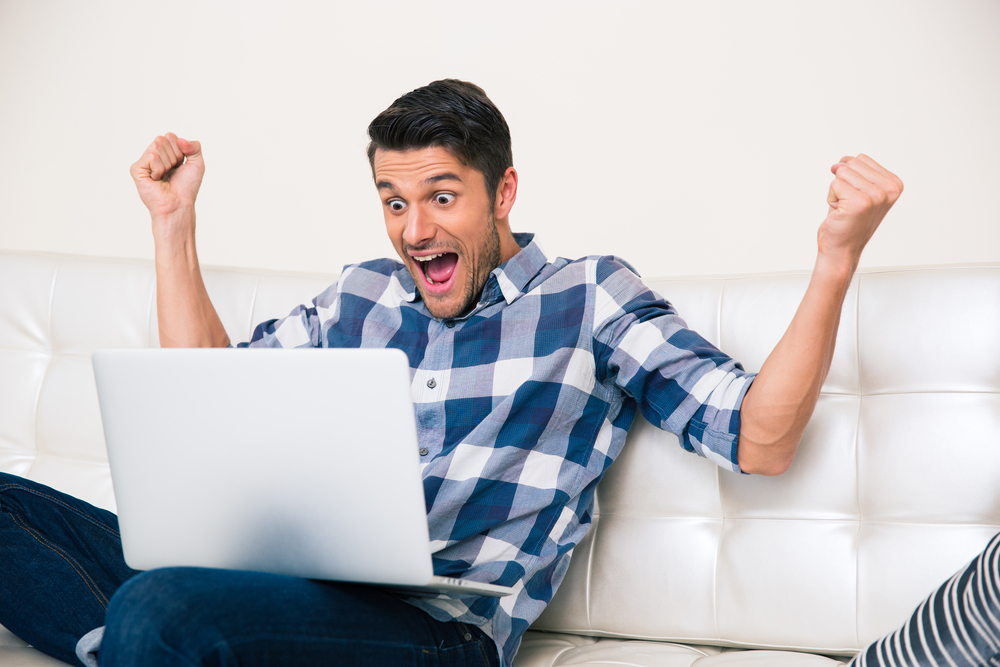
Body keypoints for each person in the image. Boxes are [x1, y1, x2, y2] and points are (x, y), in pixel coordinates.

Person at [0, 79, 993, 667]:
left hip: (438, 631)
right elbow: (205, 400)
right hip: (283, 591)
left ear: (502, 189)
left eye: (440, 196)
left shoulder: (588, 298)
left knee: (160, 609)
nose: (414, 228)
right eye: (393, 201)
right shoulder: (359, 296)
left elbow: (761, 437)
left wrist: (834, 257)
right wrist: (173, 226)